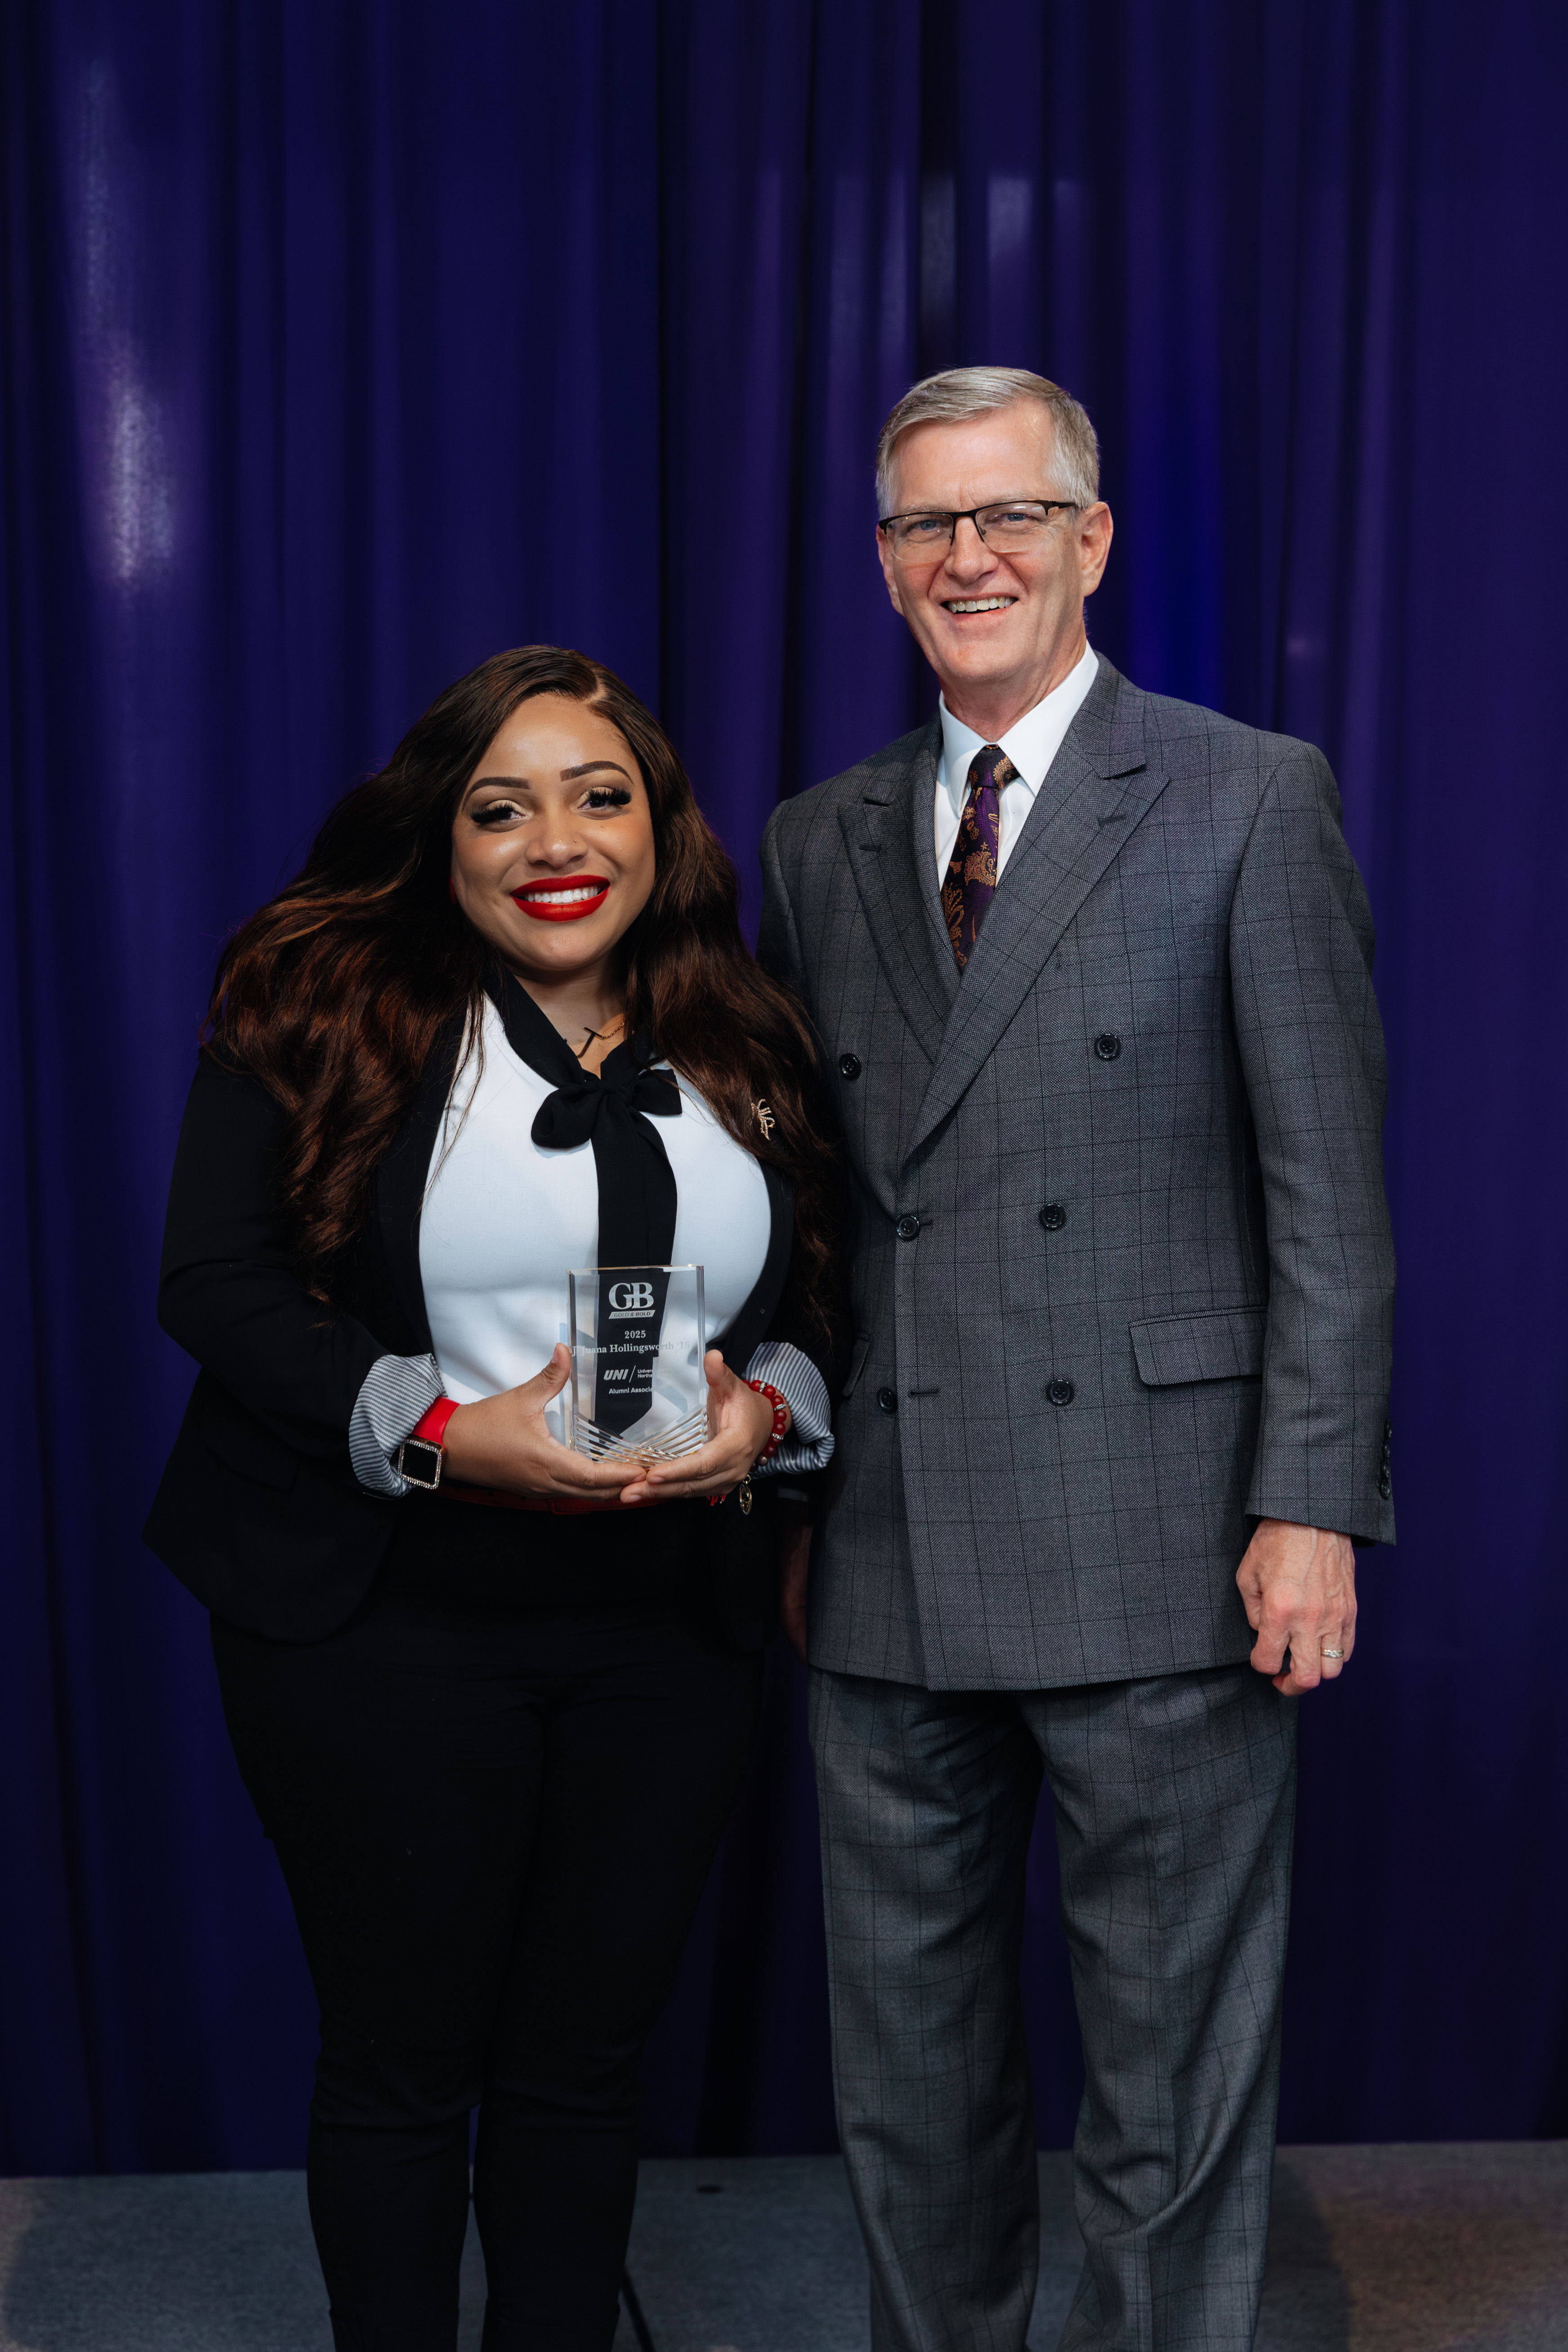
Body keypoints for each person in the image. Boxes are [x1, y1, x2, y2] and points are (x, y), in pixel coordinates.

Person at [759, 367, 1395, 2352]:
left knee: (1167, 2093)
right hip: (888, 1541)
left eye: (1008, 517)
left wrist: (1307, 1502)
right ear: (881, 566)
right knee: (912, 2093)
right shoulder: (814, 840)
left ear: (1089, 542)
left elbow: (1328, 1194)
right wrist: (786, 1462)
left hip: (1166, 1528)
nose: (969, 558)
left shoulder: (1240, 789)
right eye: (926, 527)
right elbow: (812, 1215)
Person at [144, 646, 844, 2352]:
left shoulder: (743, 1025)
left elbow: (822, 1287)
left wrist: (773, 1414)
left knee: (582, 2062)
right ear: (440, 837)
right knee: (402, 2058)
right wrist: (447, 1430)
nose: (559, 837)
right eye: (502, 804)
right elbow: (215, 1287)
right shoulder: (318, 1004)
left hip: (663, 1628)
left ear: (660, 829)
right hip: (382, 1614)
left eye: (601, 795)